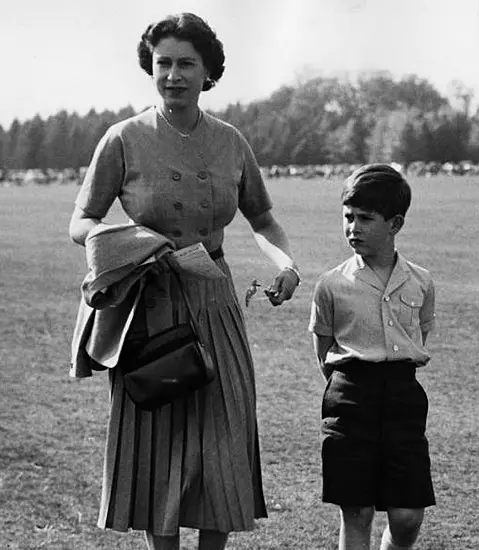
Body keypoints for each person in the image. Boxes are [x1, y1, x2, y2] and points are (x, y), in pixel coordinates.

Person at [67, 13, 301, 550]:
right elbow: (80, 222)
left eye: (185, 64)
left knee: (225, 433)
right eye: (163, 62)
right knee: (156, 442)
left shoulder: (231, 142)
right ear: (150, 67)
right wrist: (132, 243)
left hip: (214, 300)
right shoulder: (122, 138)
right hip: (148, 306)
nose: (172, 74)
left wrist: (286, 265)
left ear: (208, 71)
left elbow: (262, 220)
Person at [309, 164, 437, 550]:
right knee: (357, 510)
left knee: (407, 515)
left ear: (395, 223)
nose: (353, 228)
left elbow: (420, 334)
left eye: (366, 218)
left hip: (403, 399)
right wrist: (348, 389)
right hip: (350, 400)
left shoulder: (421, 281)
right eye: (348, 217)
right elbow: (323, 348)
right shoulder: (332, 285)